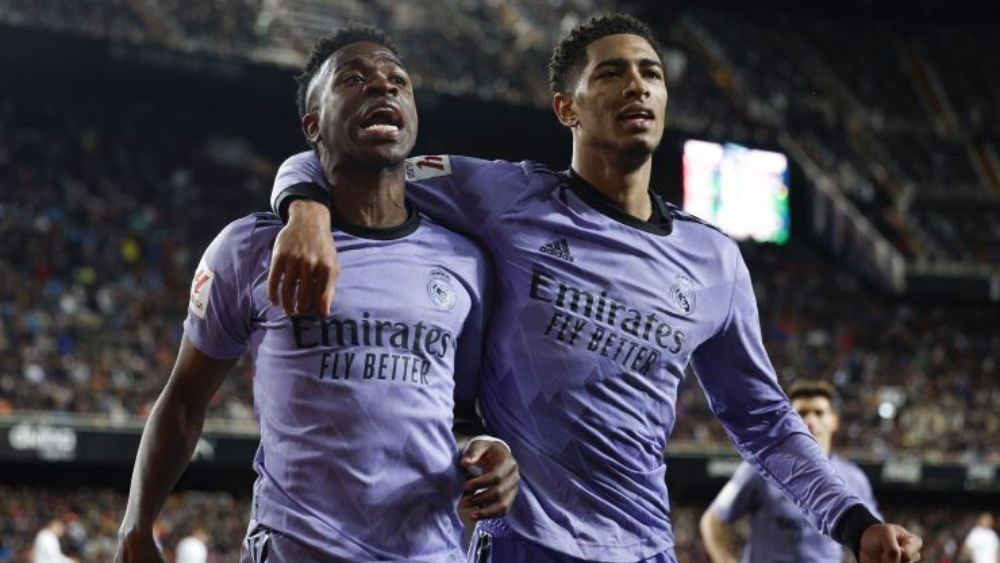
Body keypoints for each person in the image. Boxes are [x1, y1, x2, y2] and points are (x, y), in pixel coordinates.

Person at [267, 14, 922, 563]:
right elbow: (355, 161)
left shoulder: (714, 259)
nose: (636, 84)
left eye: (651, 73)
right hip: (524, 539)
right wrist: (304, 205)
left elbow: (765, 419)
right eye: (611, 72)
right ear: (566, 107)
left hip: (643, 544)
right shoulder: (501, 195)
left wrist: (854, 521)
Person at [114, 25, 518, 563]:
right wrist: (136, 526)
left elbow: (463, 413)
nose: (383, 86)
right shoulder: (248, 248)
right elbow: (184, 401)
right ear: (313, 124)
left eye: (398, 80)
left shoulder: (465, 261)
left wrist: (491, 450)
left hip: (430, 552)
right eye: (355, 78)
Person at [700, 380, 879, 562]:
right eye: (801, 413)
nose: (810, 420)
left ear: (834, 421)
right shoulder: (759, 469)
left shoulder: (855, 478)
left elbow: (871, 536)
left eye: (819, 413)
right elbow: (712, 521)